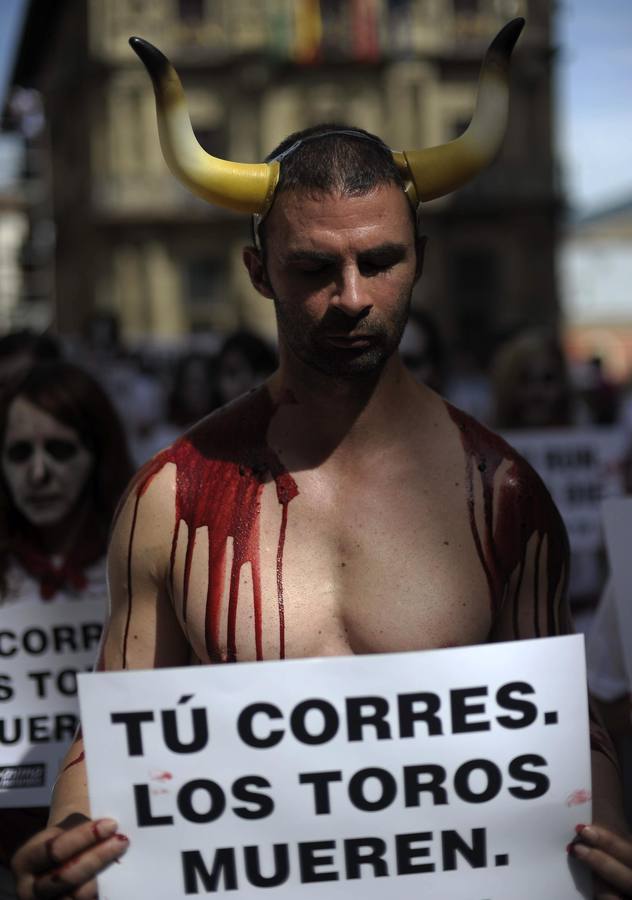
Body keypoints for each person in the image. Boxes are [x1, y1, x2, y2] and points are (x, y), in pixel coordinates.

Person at [12, 19, 632, 899]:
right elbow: (113, 736)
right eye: (314, 268)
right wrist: (72, 841)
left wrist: (606, 835)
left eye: (380, 262)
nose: (351, 298)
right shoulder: (170, 499)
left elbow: (564, 730)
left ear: (420, 258)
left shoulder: (503, 495)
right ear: (259, 271)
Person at [0, 361, 134, 897]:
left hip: (115, 849)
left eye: (59, 450)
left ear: (96, 454)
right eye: (18, 453)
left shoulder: (140, 560)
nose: (37, 474)